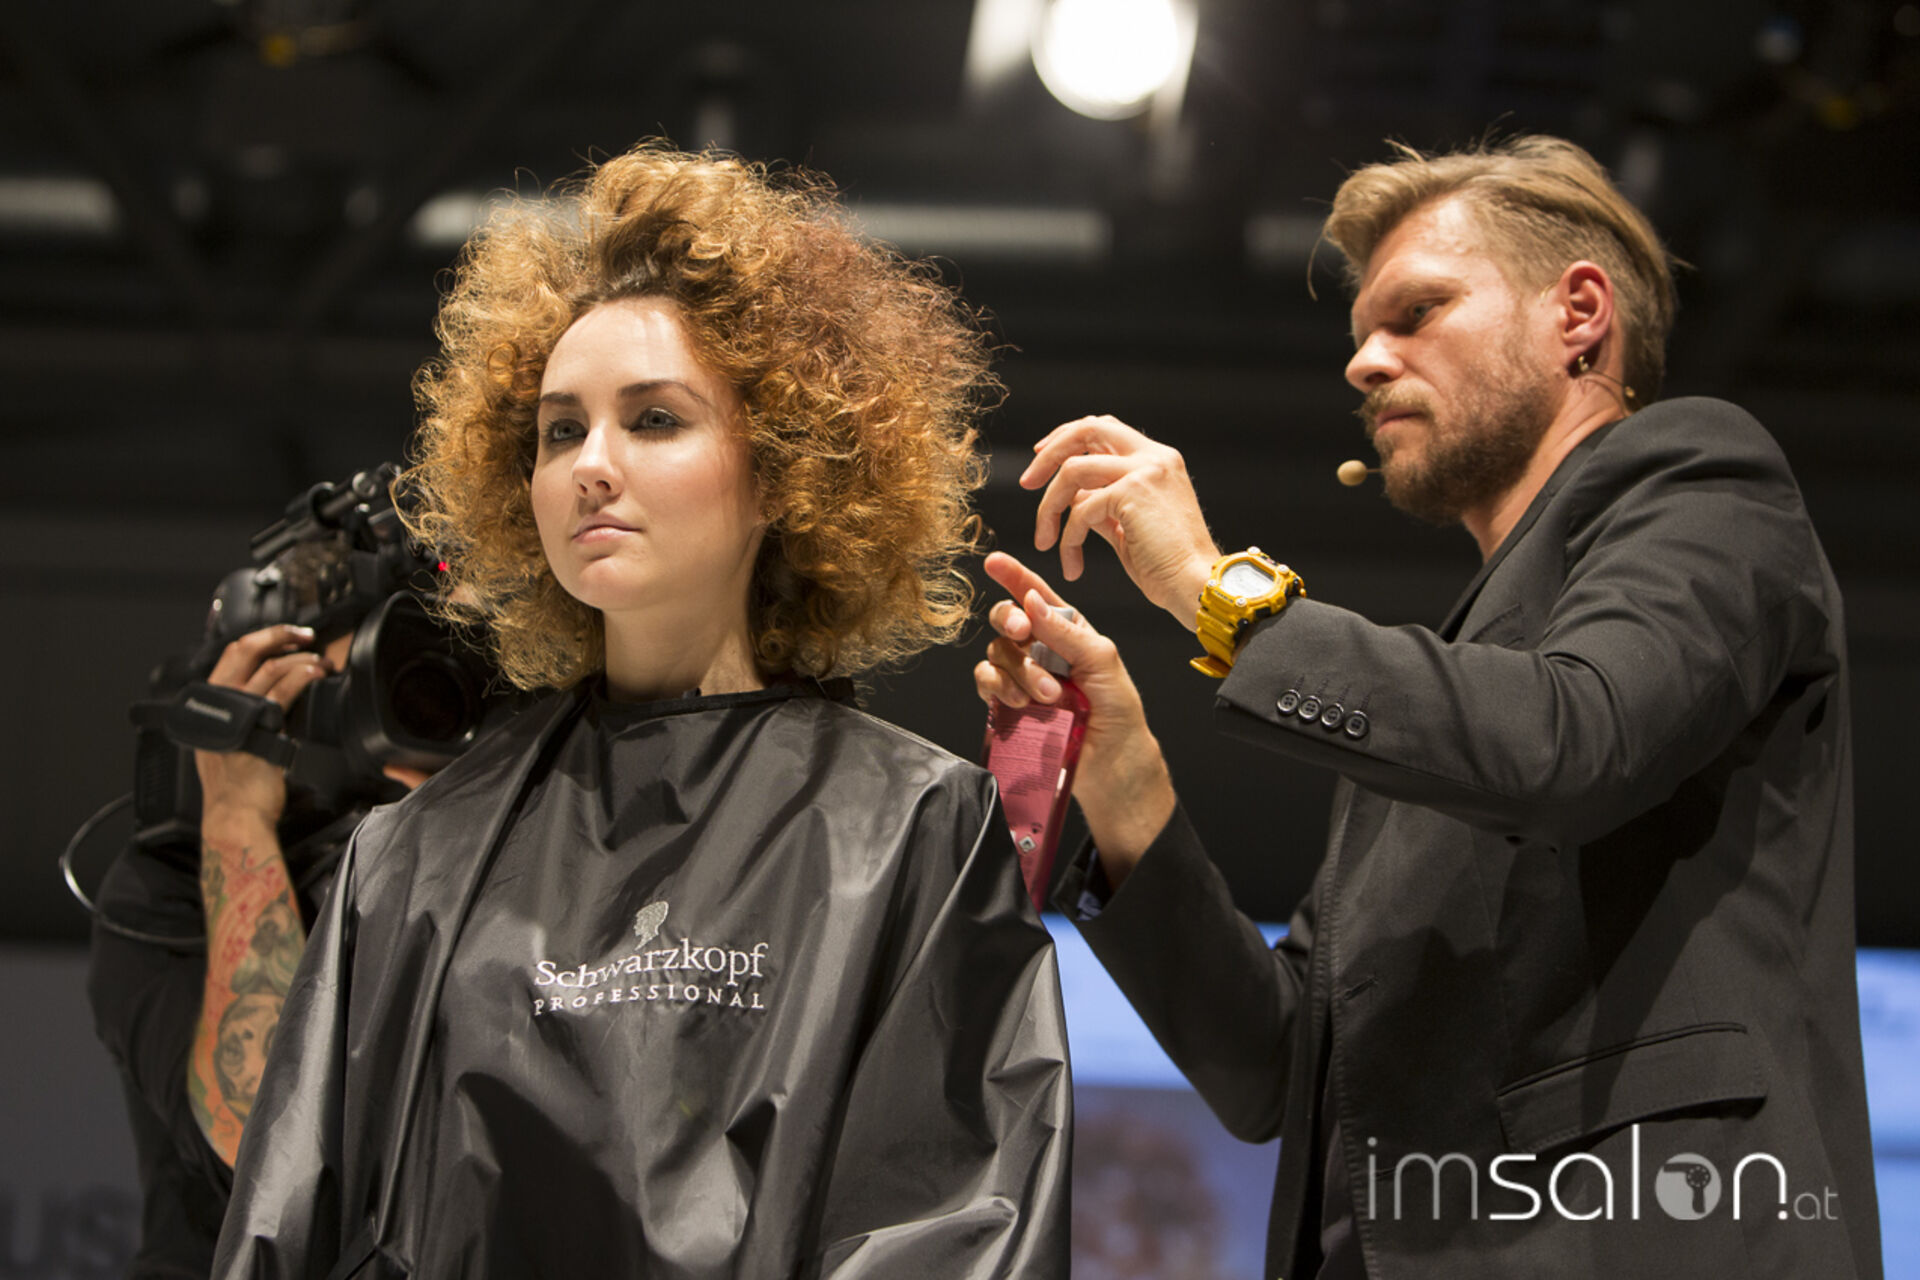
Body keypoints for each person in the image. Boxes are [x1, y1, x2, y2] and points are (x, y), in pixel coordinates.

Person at [976, 136, 1880, 1278]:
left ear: (1579, 314)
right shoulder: (1437, 705)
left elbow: (1576, 739)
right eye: (1362, 332)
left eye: (1417, 312)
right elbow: (1277, 1070)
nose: (1365, 362)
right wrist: (1124, 787)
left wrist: (1216, 588)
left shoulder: (1701, 472)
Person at [214, 142, 1071, 1279]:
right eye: (560, 429)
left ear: (780, 470)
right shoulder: (413, 853)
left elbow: (956, 1229)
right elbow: (292, 1228)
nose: (591, 465)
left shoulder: (913, 829)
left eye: (655, 419)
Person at [89, 605, 427, 1277]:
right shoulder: (166, 879)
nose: (383, 722)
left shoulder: (474, 852)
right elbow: (264, 1150)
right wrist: (237, 815)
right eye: (344, 691)